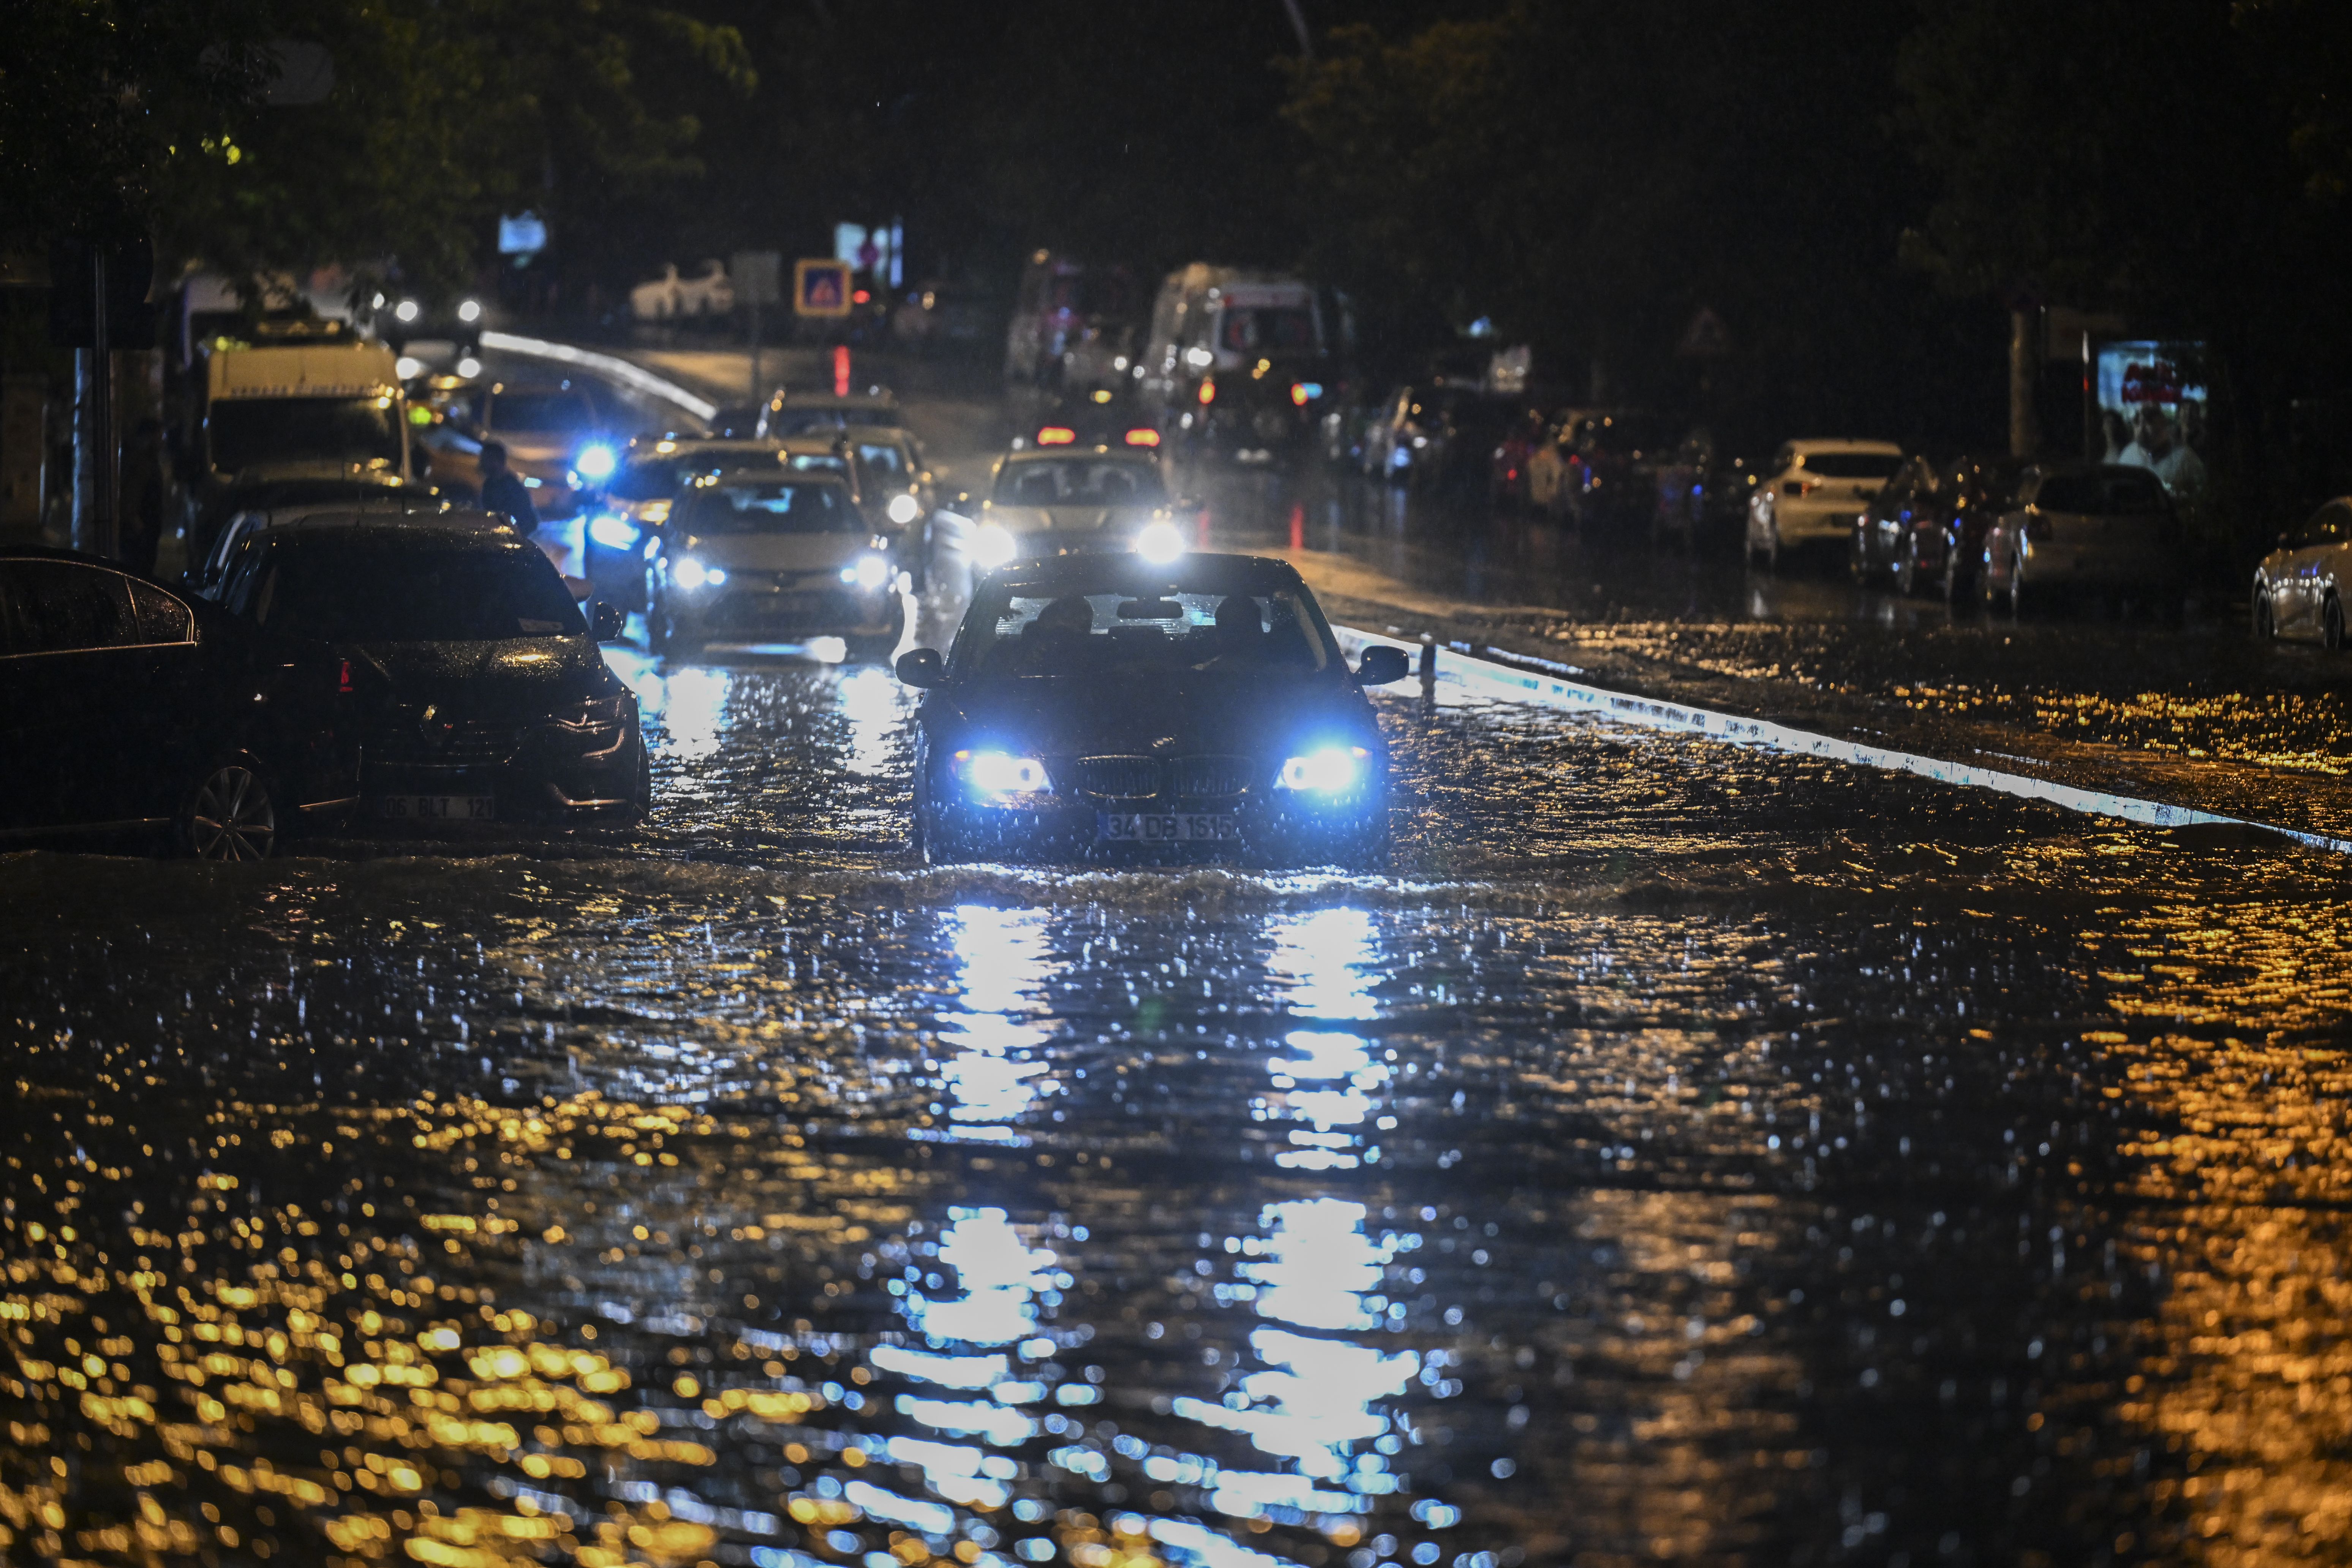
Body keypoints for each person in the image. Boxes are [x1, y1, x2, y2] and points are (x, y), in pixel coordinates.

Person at [478, 440, 539, 533]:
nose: (482, 463)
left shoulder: (512, 487)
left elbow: (529, 522)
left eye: (486, 459)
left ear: (498, 461)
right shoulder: (490, 484)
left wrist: (513, 537)